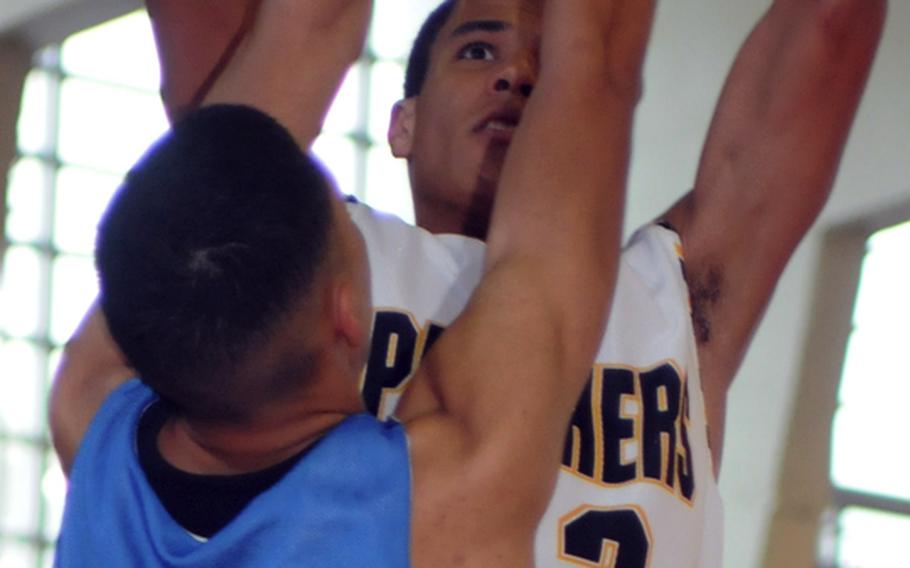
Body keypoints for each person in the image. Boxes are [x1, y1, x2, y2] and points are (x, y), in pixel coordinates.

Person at [51, 0, 888, 566]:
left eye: (539, 56)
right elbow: (591, 70)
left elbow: (833, 27)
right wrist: (574, 53)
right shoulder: (305, 247)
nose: (519, 75)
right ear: (401, 122)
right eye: (480, 48)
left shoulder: (147, 359)